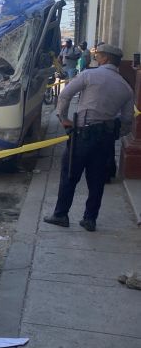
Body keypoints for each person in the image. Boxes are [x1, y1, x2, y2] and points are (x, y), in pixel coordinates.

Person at [43, 44, 134, 232]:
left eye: (98, 56)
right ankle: (90, 219)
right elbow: (126, 120)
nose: (96, 59)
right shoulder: (126, 87)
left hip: (83, 134)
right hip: (105, 139)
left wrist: (64, 118)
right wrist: (115, 133)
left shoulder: (89, 75)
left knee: (70, 175)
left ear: (106, 59)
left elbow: (65, 95)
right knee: (97, 179)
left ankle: (61, 215)